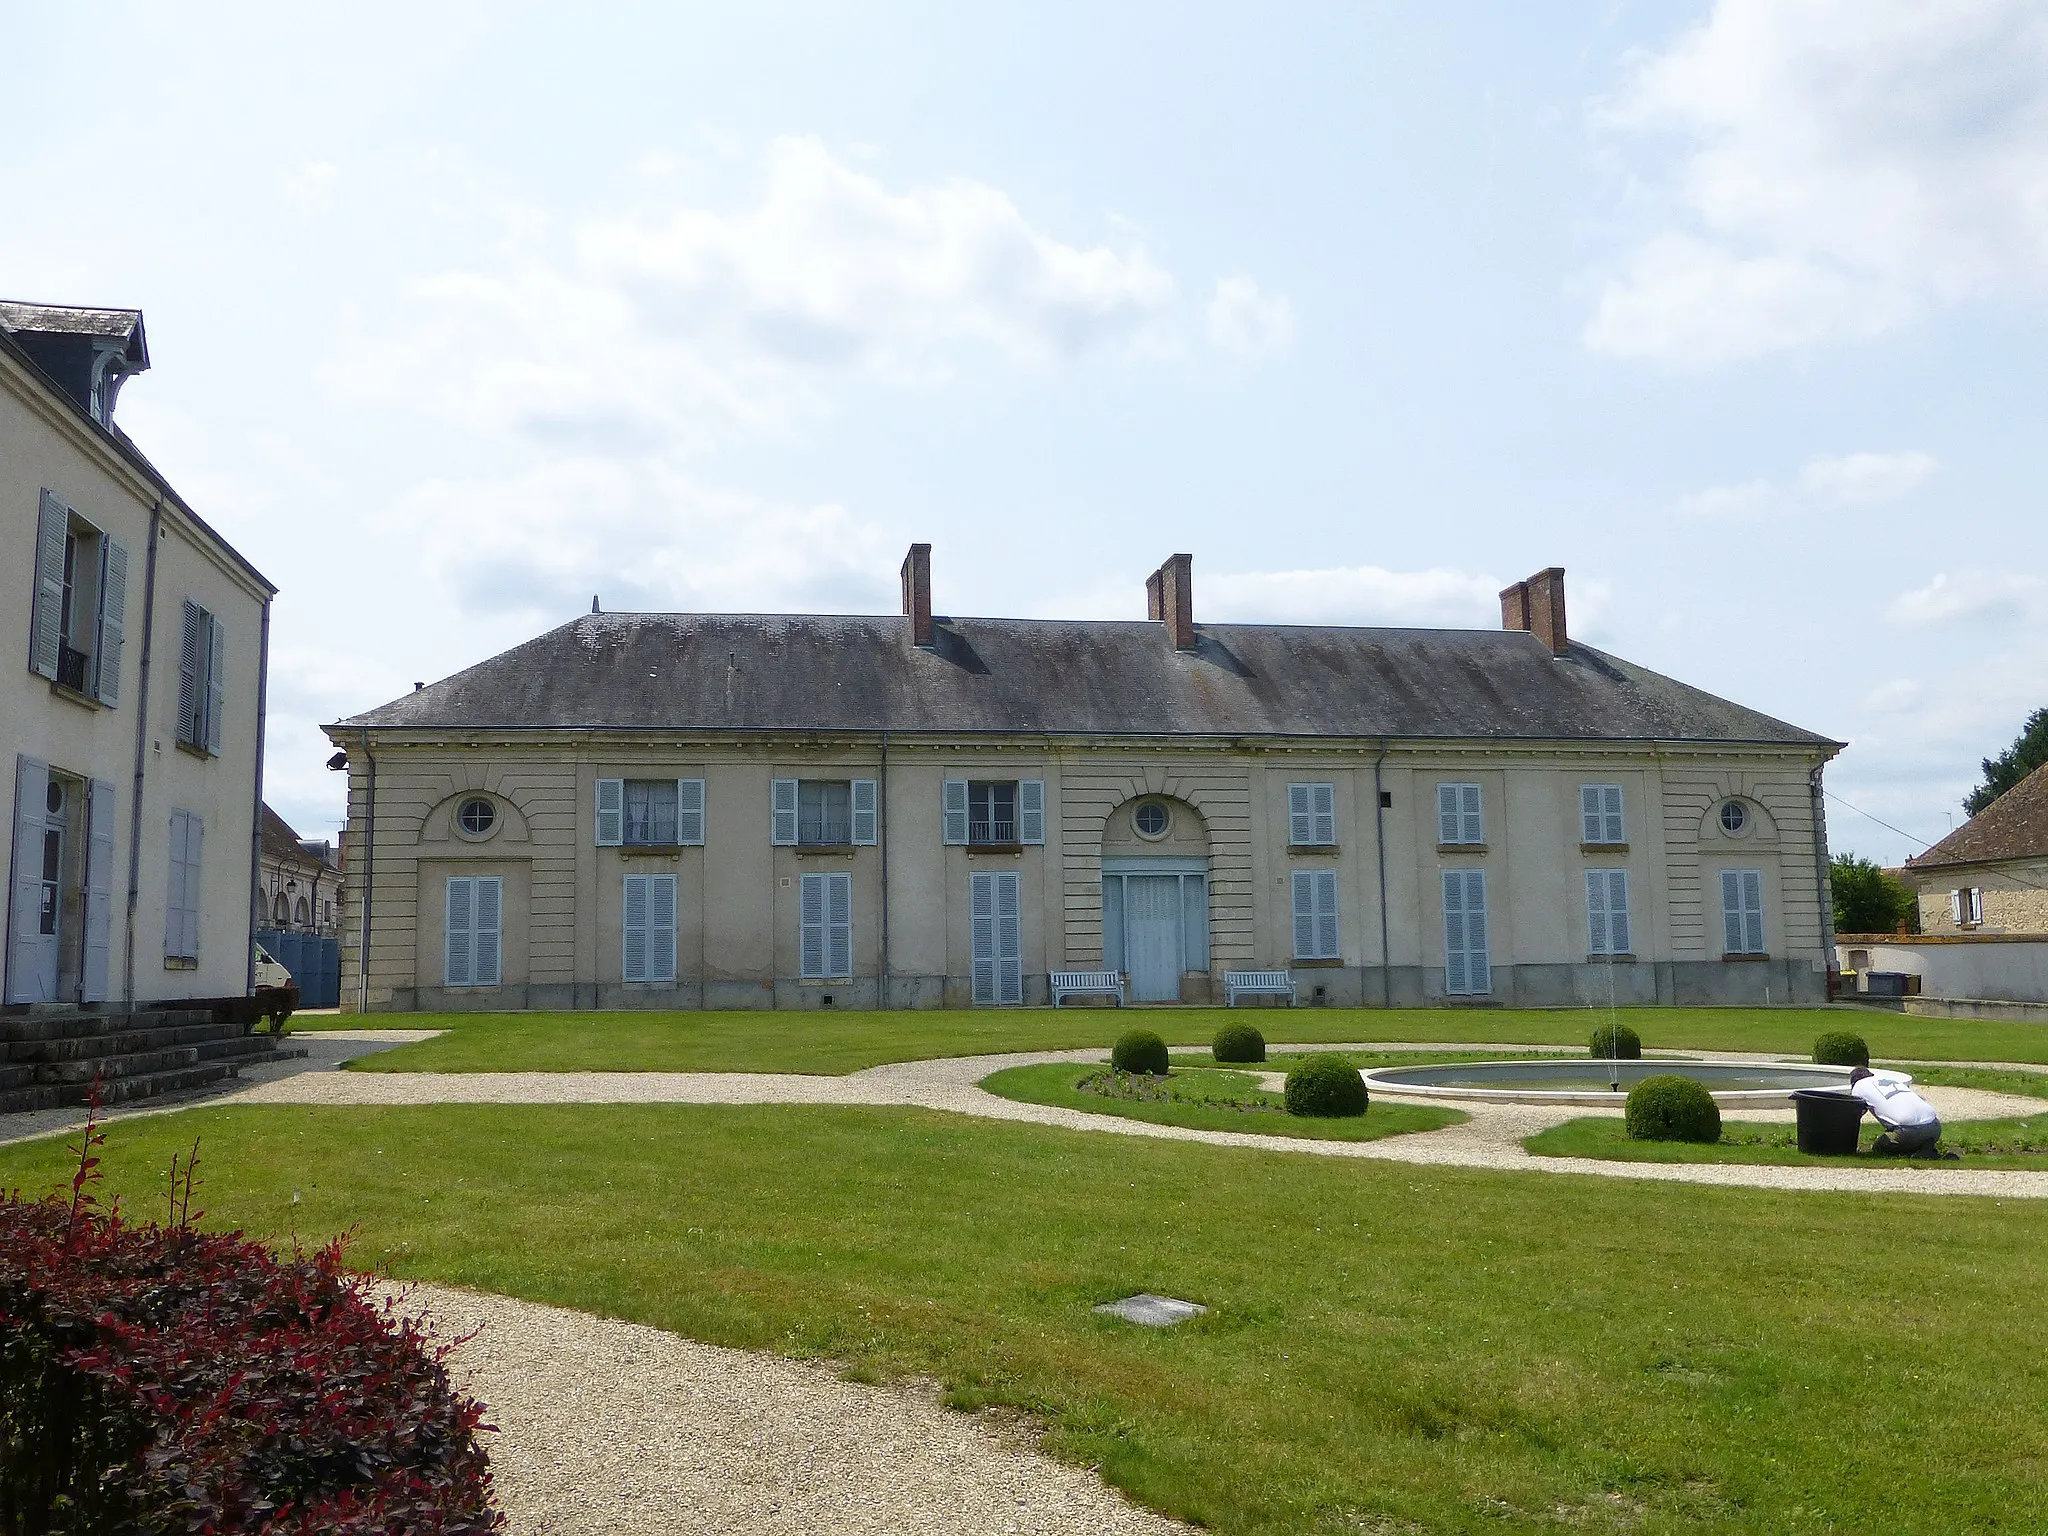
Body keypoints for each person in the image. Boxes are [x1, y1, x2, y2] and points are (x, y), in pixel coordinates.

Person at [1847, 1067, 1942, 1157]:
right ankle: (1926, 1150)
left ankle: (1914, 1152)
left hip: (1908, 1132)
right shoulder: (1889, 1080)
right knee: (1911, 1135)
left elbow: (1854, 1115)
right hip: (1935, 1127)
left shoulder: (1858, 1086)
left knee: (1879, 1147)